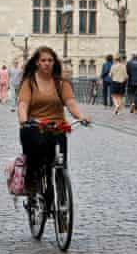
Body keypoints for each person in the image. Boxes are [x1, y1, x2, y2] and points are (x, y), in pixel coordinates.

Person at [17, 46, 91, 196]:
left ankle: (62, 190)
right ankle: (31, 179)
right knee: (35, 155)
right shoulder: (29, 83)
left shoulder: (61, 83)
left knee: (60, 163)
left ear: (54, 62)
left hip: (57, 127)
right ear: (37, 62)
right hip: (36, 126)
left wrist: (80, 116)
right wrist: (24, 120)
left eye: (50, 60)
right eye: (43, 60)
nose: (47, 63)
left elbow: (70, 103)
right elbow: (23, 104)